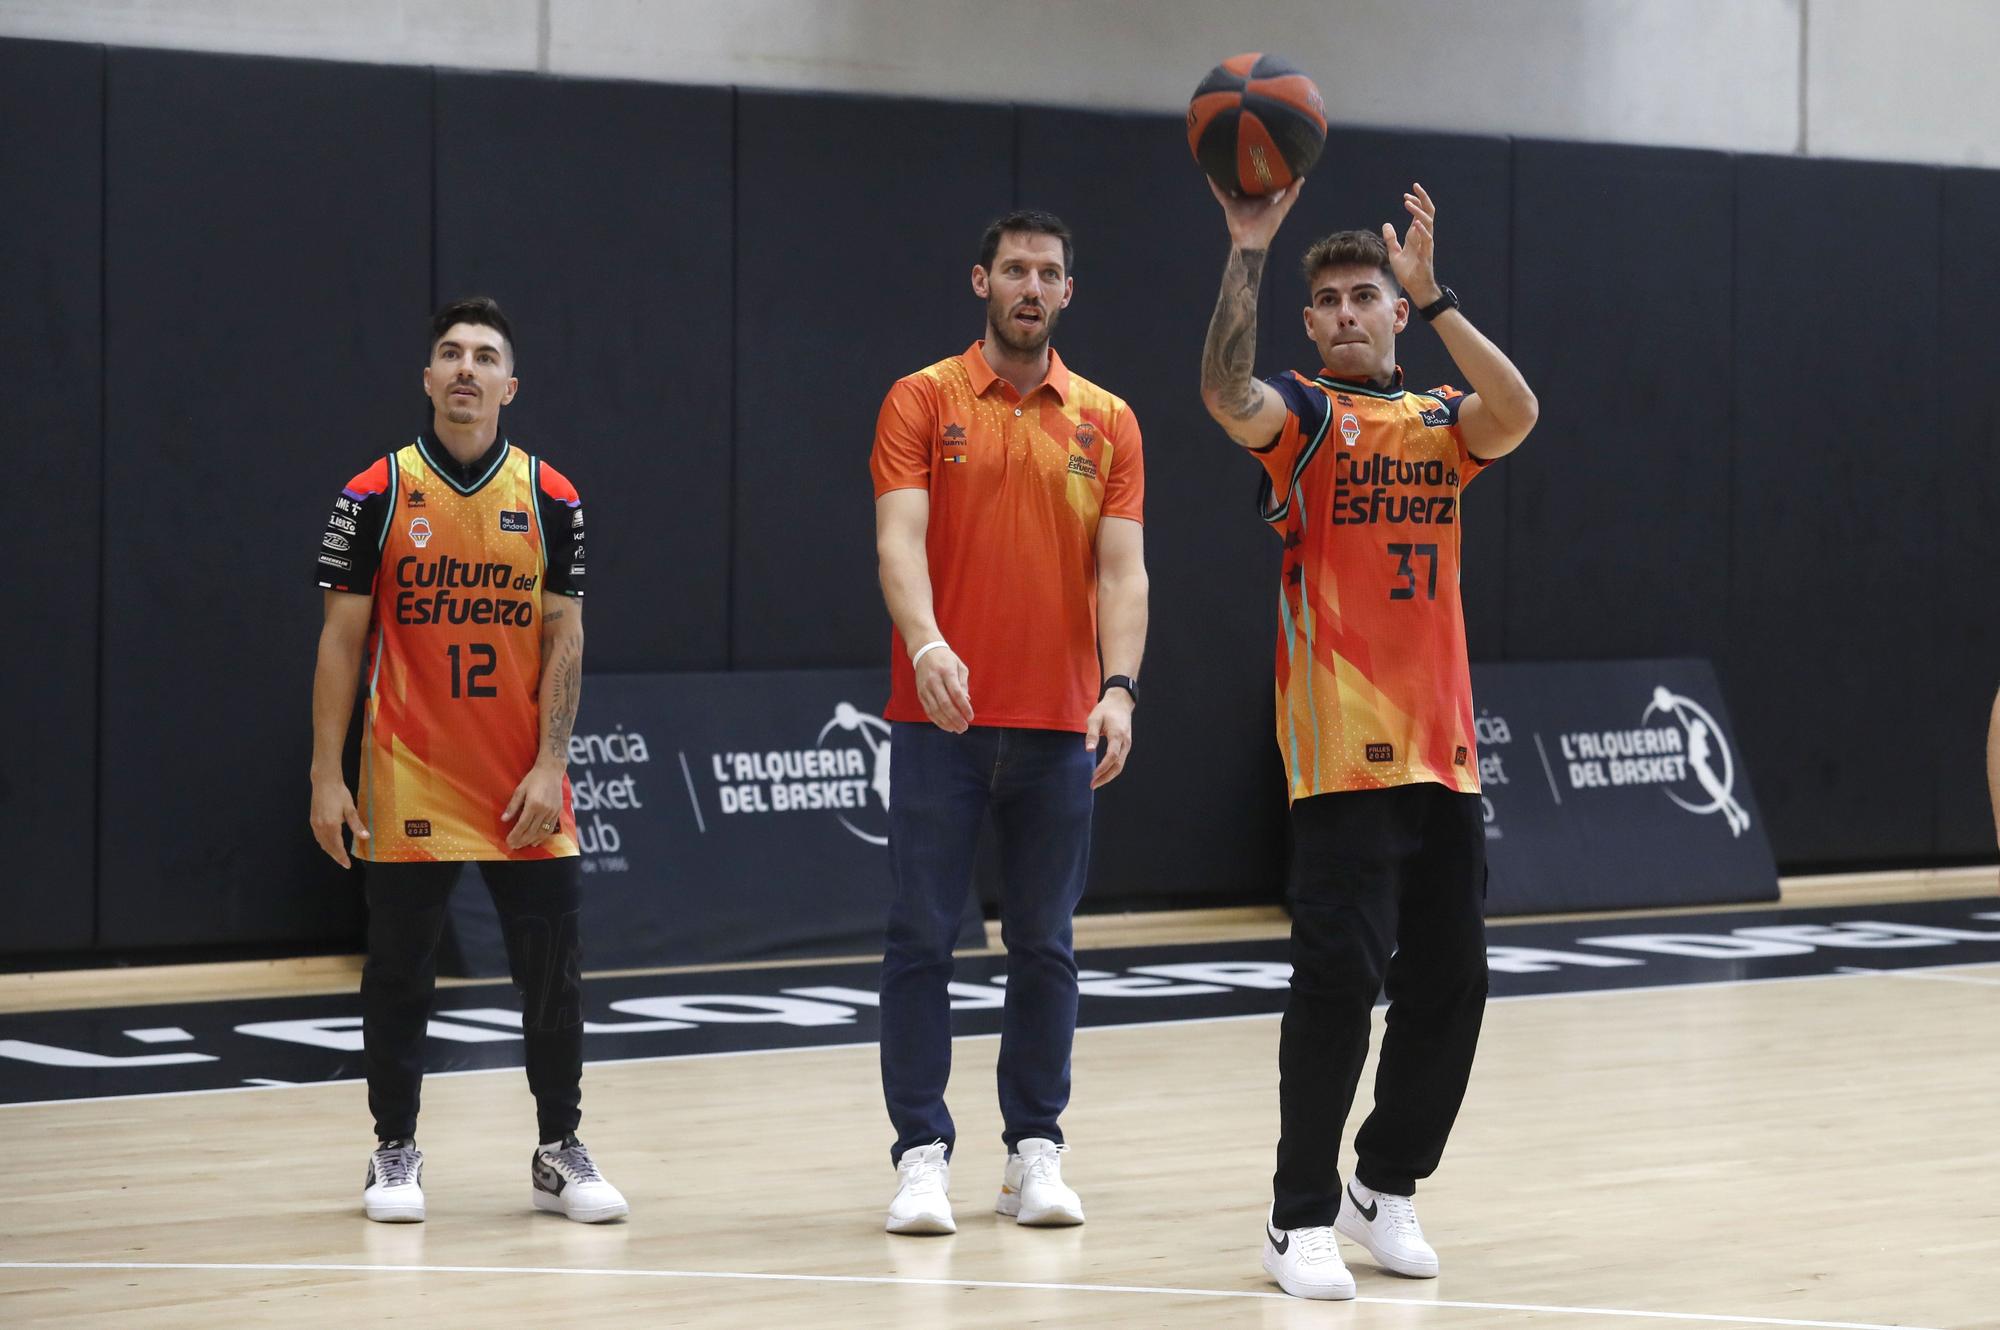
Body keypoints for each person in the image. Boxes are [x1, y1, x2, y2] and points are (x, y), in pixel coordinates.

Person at [1197, 180, 1538, 1299]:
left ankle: (1383, 1184)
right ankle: (1296, 1215)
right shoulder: (1302, 418)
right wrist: (1248, 251)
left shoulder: (1443, 420)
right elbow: (1220, 390)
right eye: (1330, 299)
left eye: (1366, 296)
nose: (1346, 311)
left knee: (1455, 981)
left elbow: (1520, 408)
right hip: (1338, 753)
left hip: (1442, 751)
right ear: (1311, 322)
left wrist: (1441, 297)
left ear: (1394, 311)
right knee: (1337, 979)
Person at [307, 297, 627, 1225]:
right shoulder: (376, 491)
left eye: (484, 357)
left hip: (522, 780)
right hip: (408, 772)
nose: (465, 369)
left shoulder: (553, 497)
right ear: (427, 378)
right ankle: (394, 1150)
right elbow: (339, 643)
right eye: (449, 353)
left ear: (508, 386)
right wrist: (328, 775)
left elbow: (565, 637)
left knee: (553, 976)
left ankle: (559, 1148)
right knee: (399, 975)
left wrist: (552, 763)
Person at [870, 210, 1149, 1235]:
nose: (1030, 285)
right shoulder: (920, 398)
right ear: (979, 279)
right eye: (1014, 269)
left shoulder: (1108, 418)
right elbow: (897, 545)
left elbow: (1122, 570)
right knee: (919, 940)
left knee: (1044, 943)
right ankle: (919, 1154)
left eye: (1049, 273)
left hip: (1056, 725)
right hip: (937, 715)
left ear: (1068, 293)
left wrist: (1118, 687)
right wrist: (930, 641)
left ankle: (1035, 1148)